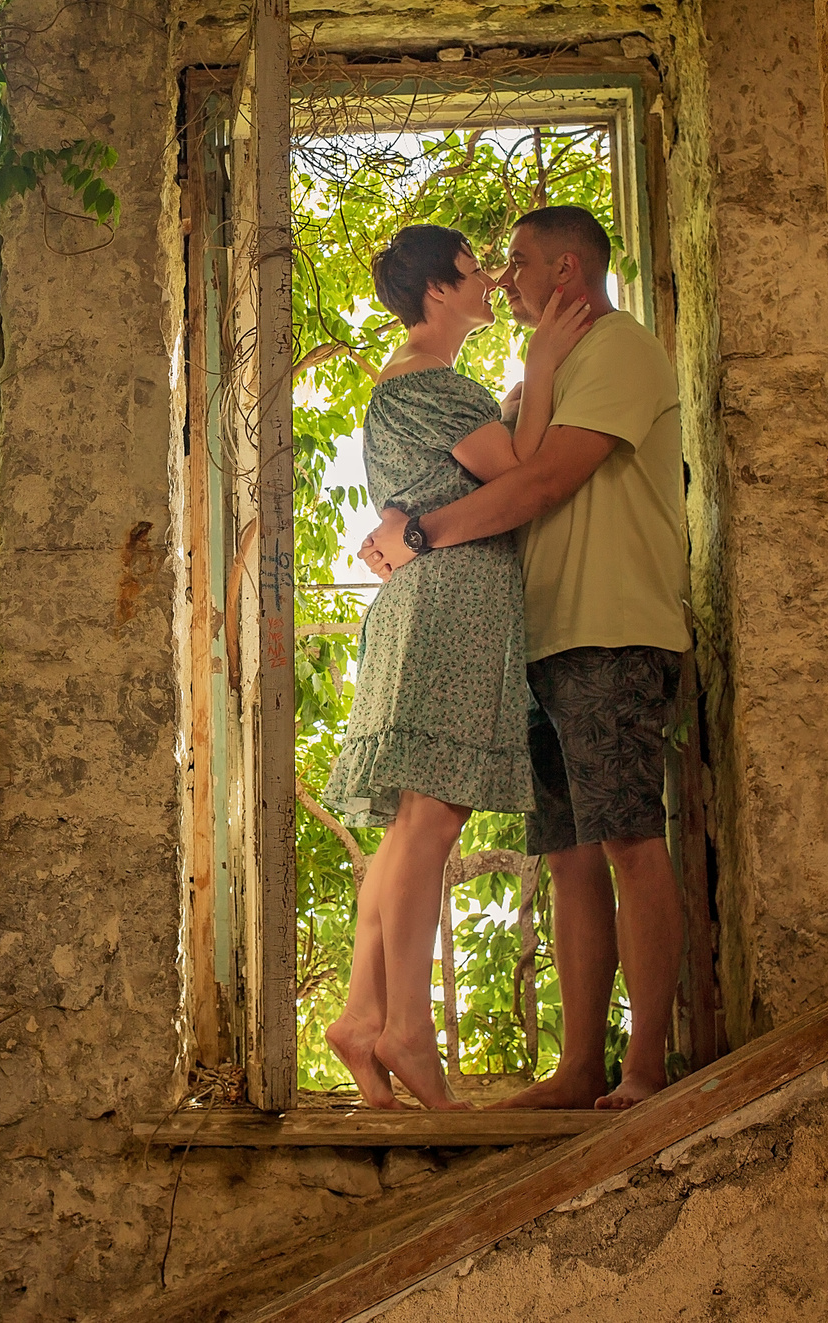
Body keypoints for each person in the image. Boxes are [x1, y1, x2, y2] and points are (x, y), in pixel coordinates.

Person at [358, 204, 689, 1111]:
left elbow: (538, 482)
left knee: (628, 835)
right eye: (489, 265)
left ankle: (645, 1068)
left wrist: (417, 532)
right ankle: (582, 1067)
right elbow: (480, 468)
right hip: (542, 640)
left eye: (517, 262)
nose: (503, 279)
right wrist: (402, 528)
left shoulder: (620, 350)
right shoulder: (525, 377)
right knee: (571, 852)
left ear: (569, 274)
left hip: (611, 625)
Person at [320, 224, 591, 1111]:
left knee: (412, 826)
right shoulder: (435, 383)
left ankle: (362, 1018)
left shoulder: (411, 385)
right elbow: (520, 473)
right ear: (438, 290)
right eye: (474, 272)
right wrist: (545, 361)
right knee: (432, 822)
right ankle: (405, 1029)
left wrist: (514, 393)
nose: (487, 284)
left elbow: (456, 476)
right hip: (453, 604)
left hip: (427, 602)